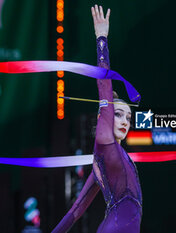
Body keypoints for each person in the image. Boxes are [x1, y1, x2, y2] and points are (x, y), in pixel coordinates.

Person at [52, 5, 142, 233]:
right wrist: (101, 38)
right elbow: (104, 84)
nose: (125, 121)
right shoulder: (105, 141)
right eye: (118, 114)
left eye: (129, 117)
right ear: (106, 117)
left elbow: (76, 211)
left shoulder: (100, 167)